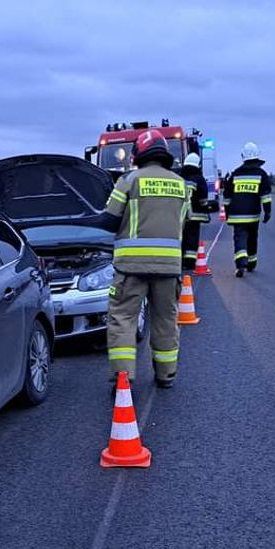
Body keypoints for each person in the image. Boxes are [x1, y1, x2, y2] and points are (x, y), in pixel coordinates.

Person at [99, 128, 187, 390]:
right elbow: (186, 221)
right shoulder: (180, 184)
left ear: (138, 154)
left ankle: (123, 378)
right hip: (169, 268)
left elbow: (109, 221)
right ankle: (166, 375)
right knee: (165, 320)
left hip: (131, 268)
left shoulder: (128, 181)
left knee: (123, 319)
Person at [222, 142, 273, 277]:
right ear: (257, 156)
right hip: (253, 215)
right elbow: (266, 196)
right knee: (252, 238)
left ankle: (240, 263)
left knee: (239, 238)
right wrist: (267, 211)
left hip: (237, 215)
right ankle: (251, 263)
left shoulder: (236, 174)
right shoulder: (261, 174)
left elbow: (227, 196)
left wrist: (227, 213)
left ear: (243, 156)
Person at [178, 152, 214, 271]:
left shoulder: (178, 178)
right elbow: (203, 199)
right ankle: (189, 262)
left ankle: (180, 260)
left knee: (180, 237)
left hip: (179, 215)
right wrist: (207, 210)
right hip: (194, 216)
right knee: (192, 238)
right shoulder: (199, 179)